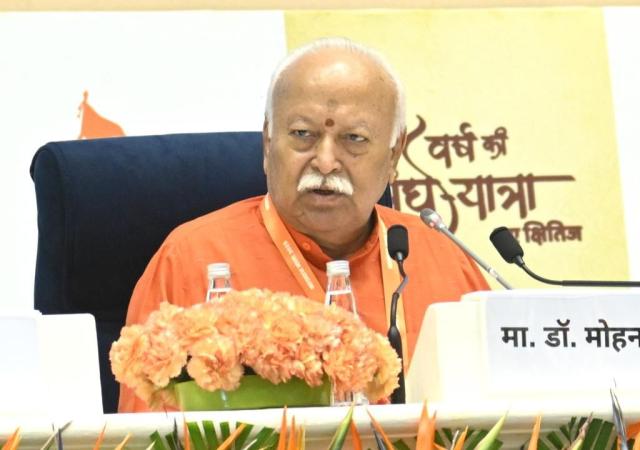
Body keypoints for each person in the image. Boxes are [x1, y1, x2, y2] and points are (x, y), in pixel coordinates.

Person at [119, 37, 489, 412]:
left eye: (354, 138)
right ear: (268, 142)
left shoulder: (442, 258)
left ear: (394, 154)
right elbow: (144, 432)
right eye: (302, 134)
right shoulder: (192, 258)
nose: (325, 161)